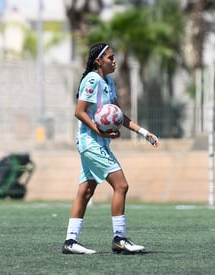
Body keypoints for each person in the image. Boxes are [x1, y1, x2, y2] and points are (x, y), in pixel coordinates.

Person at [62, 42, 159, 255]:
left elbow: (117, 115)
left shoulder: (108, 83)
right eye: (111, 58)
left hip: (98, 143)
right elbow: (80, 111)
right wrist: (100, 131)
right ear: (98, 61)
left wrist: (143, 132)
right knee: (121, 186)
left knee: (86, 191)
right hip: (91, 143)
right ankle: (119, 239)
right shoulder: (92, 80)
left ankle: (70, 242)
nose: (115, 61)